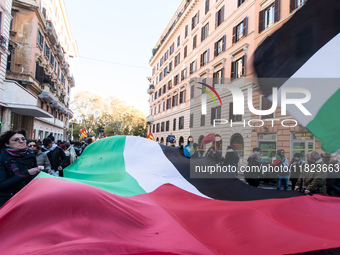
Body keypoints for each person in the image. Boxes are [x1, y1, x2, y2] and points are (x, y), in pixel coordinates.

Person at [0, 130, 42, 206]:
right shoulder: (2, 157)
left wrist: (42, 173)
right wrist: (26, 173)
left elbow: (32, 178)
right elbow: (2, 185)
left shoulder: (30, 154)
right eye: (16, 140)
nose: (21, 141)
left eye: (23, 139)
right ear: (7, 144)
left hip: (27, 198)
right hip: (7, 200)